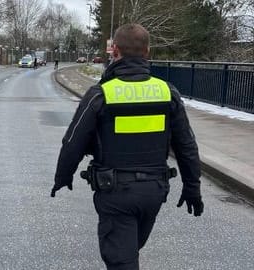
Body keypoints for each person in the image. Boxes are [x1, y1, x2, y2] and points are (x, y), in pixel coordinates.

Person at [50, 24, 203, 270]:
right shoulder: (167, 92)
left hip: (115, 193)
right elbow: (186, 145)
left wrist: (63, 175)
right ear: (147, 52)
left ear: (115, 52)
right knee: (128, 253)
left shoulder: (101, 93)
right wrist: (192, 187)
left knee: (122, 260)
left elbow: (73, 141)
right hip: (154, 192)